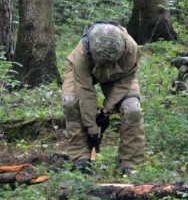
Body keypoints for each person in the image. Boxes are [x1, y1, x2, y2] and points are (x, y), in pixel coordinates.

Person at [61, 22, 144, 176]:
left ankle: (130, 164)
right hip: (84, 72)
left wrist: (106, 110)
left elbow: (126, 81)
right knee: (71, 102)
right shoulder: (82, 54)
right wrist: (92, 129)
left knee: (132, 109)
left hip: (119, 76)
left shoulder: (132, 49)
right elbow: (85, 92)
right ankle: (81, 157)